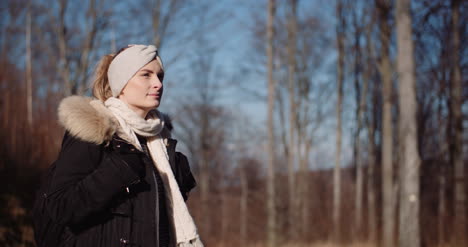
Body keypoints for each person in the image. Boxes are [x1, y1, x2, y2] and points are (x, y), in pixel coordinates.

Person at [41, 44, 203, 247]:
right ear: (122, 83)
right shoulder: (94, 129)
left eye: (160, 76)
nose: (158, 84)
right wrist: (118, 172)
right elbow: (60, 207)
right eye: (146, 75)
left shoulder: (159, 142)